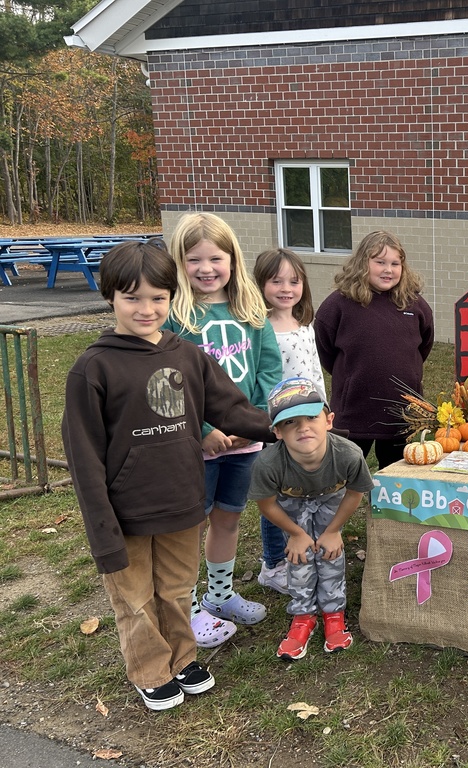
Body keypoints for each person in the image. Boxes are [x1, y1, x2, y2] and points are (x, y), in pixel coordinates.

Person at [61, 241, 274, 711]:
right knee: (135, 598)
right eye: (132, 297)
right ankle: (150, 670)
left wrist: (285, 424)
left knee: (177, 590)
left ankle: (182, 659)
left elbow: (232, 408)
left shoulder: (188, 355)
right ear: (109, 297)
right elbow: (83, 457)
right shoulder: (93, 369)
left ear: (171, 297)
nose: (146, 309)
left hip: (182, 501)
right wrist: (102, 530)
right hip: (127, 510)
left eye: (158, 297)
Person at [165, 212, 283, 649]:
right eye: (193, 259)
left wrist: (254, 421)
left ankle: (220, 594)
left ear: (232, 259)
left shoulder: (250, 312)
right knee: (190, 526)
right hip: (196, 444)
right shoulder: (174, 315)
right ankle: (187, 606)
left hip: (244, 441)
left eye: (216, 258)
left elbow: (270, 370)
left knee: (229, 518)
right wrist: (206, 427)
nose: (206, 269)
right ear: (179, 262)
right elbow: (169, 381)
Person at [249, 378, 374, 661]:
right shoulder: (268, 463)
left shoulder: (348, 455)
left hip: (332, 498)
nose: (303, 427)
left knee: (331, 553)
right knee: (300, 556)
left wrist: (334, 530)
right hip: (290, 503)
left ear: (328, 420)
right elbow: (266, 504)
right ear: (277, 432)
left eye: (310, 417)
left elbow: (355, 493)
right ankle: (303, 615)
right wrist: (295, 533)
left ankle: (333, 613)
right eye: (290, 422)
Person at [315, 231, 434, 470]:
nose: (388, 269)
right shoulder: (339, 304)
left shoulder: (415, 305)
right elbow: (324, 348)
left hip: (403, 413)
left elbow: (423, 346)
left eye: (395, 263)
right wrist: (349, 377)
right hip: (354, 412)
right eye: (379, 262)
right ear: (362, 264)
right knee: (342, 475)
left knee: (396, 480)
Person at [253, 248, 327, 596]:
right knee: (276, 495)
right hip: (279, 425)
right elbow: (263, 379)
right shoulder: (259, 328)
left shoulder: (305, 324)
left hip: (308, 423)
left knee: (300, 493)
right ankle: (273, 564)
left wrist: (323, 410)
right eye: (276, 280)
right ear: (261, 284)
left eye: (294, 281)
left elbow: (314, 373)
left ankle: (300, 549)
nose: (286, 288)